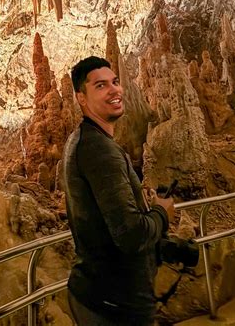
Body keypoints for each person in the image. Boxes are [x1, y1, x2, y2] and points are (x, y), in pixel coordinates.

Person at [63, 56, 175, 325]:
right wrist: (162, 211)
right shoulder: (98, 150)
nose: (115, 90)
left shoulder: (85, 141)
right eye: (100, 86)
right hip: (114, 306)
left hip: (104, 296)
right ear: (81, 98)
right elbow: (131, 234)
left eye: (115, 82)